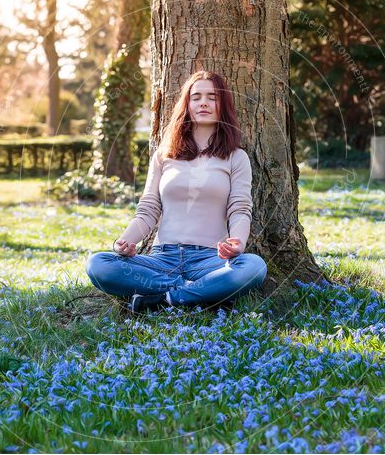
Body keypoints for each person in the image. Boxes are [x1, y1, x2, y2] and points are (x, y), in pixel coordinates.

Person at [85, 71, 267, 314]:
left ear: (223, 105)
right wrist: (125, 242)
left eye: (212, 97)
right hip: (161, 260)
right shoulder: (164, 155)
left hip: (211, 260)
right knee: (100, 264)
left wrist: (238, 244)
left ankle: (162, 299)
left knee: (253, 267)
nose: (203, 102)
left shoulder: (236, 157)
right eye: (196, 97)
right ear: (187, 105)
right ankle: (198, 293)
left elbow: (240, 208)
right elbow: (148, 208)